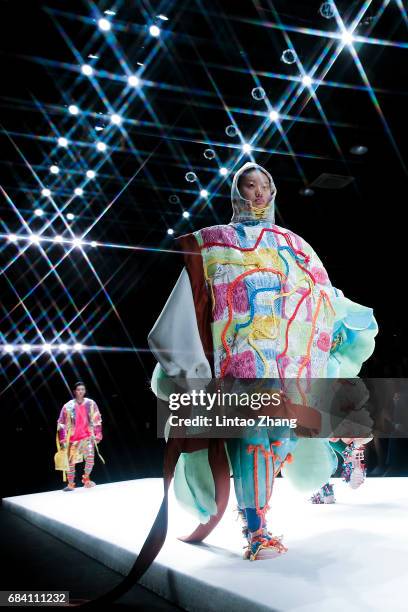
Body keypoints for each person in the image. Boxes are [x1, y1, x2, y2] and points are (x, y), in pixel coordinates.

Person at [149, 161, 378, 560]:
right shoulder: (214, 242)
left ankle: (259, 515)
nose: (257, 193)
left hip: (289, 372)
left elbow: (322, 298)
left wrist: (341, 328)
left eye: (264, 186)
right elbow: (182, 309)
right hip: (240, 370)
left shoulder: (296, 246)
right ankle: (256, 531)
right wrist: (193, 371)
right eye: (249, 185)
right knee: (254, 441)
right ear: (237, 192)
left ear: (272, 193)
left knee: (279, 443)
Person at [56, 381, 104, 491]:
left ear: (85, 391)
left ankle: (86, 479)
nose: (80, 391)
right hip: (73, 439)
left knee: (90, 460)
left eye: (82, 389)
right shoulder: (68, 406)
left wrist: (98, 434)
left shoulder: (91, 403)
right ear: (74, 391)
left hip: (87, 437)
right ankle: (71, 484)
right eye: (78, 390)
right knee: (71, 462)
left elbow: (97, 419)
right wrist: (62, 439)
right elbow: (61, 423)